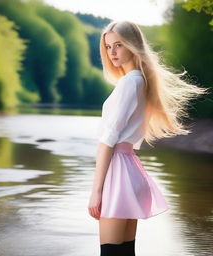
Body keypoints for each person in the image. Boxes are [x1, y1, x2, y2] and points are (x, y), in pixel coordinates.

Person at [87, 20, 208, 256]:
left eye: (118, 45)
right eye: (108, 46)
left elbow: (108, 141)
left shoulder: (129, 83)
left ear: (133, 46)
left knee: (111, 253)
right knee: (125, 252)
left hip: (118, 174)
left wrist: (96, 191)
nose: (112, 52)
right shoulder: (141, 81)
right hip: (130, 171)